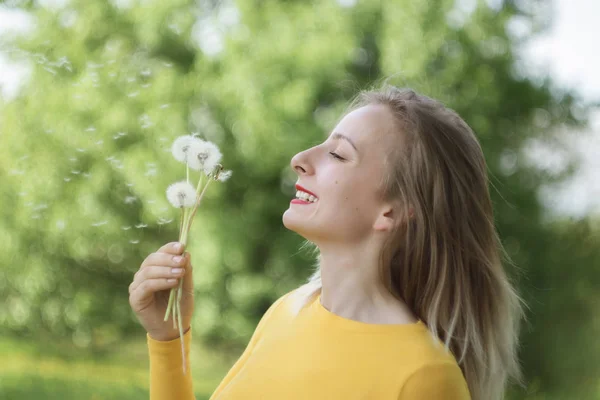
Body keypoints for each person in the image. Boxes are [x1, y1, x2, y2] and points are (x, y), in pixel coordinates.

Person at [129, 85, 525, 400]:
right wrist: (169, 340)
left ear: (392, 211)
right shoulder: (287, 312)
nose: (300, 158)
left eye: (337, 154)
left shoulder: (423, 378)